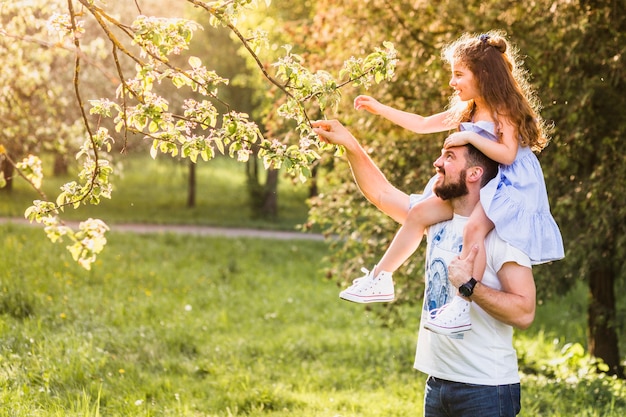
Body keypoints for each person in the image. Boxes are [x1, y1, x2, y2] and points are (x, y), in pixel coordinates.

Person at [339, 31, 564, 336]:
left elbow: (508, 155)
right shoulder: (468, 109)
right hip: (483, 183)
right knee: (418, 214)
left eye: (459, 74)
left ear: (483, 75)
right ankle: (381, 277)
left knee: (474, 229)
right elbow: (421, 124)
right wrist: (380, 108)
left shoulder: (504, 112)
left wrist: (470, 136)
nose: (452, 82)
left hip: (509, 188)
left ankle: (461, 303)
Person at [312, 117, 535, 416]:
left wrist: (470, 286)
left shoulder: (501, 234)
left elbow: (525, 312)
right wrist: (350, 144)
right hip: (437, 384)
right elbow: (382, 195)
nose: (437, 163)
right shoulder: (434, 218)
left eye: (449, 157)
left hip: (486, 389)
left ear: (474, 173)